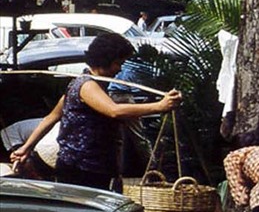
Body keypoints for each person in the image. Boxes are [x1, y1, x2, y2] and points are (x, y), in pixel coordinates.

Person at [10, 33, 182, 190]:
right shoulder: (87, 85)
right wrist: (159, 106)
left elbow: (51, 117)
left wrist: (26, 147)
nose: (120, 69)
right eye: (119, 63)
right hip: (82, 169)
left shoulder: (86, 85)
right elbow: (114, 111)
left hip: (93, 167)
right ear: (106, 59)